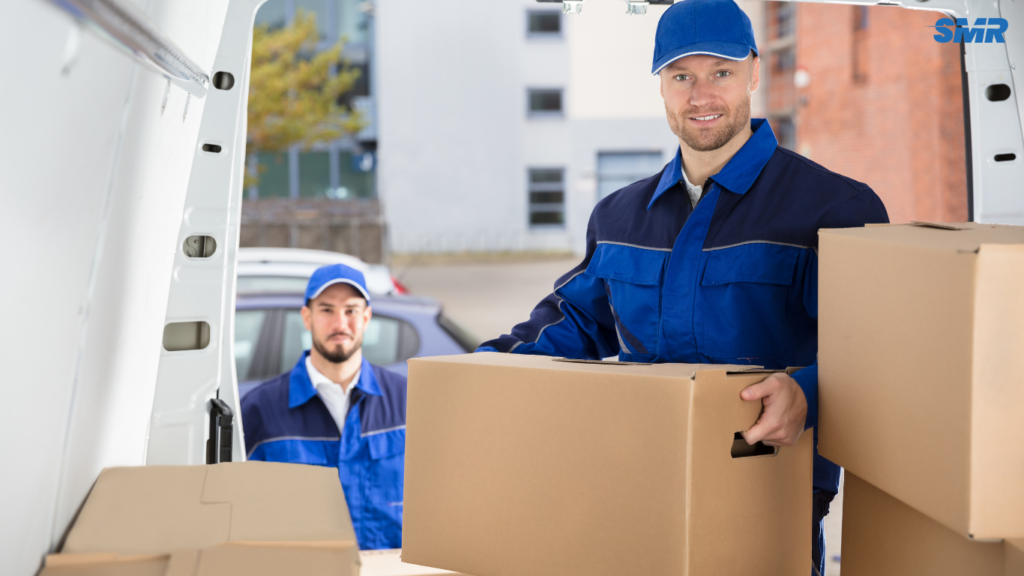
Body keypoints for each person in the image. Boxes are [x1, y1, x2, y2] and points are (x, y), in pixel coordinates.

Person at [477, 1, 888, 573]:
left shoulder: (835, 208)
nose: (701, 96)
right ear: (661, 88)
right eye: (681, 76)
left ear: (753, 73)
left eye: (720, 72)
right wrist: (478, 372)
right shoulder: (619, 218)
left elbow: (879, 352)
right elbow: (573, 324)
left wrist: (808, 393)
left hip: (769, 494)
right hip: (639, 491)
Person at [242, 264, 407, 550]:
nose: (340, 323)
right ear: (307, 317)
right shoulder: (260, 409)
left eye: (351, 310)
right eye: (327, 310)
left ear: (367, 317)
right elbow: (241, 514)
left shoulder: (408, 400)